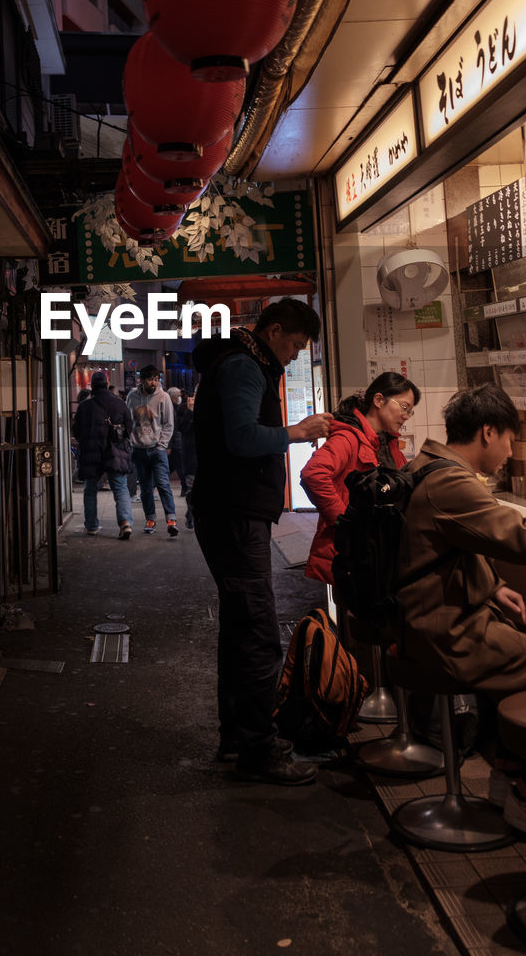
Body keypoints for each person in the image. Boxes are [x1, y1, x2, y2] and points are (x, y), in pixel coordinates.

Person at [191, 298, 333, 784]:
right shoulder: (244, 366)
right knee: (256, 631)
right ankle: (258, 748)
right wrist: (298, 431)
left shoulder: (240, 360)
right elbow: (242, 439)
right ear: (274, 331)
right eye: (294, 344)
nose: (295, 355)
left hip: (230, 511)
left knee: (239, 627)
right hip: (234, 514)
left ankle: (238, 736)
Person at [398, 384, 526, 840]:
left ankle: (505, 777)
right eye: (509, 440)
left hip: (423, 619)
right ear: (488, 432)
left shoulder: (426, 465)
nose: (510, 451)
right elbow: (524, 537)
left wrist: (495, 586)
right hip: (445, 632)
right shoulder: (452, 482)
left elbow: (453, 545)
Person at [301, 371, 420, 585]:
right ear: (378, 400)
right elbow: (313, 474)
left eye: (410, 412)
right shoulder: (348, 438)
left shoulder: (388, 444)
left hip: (377, 553)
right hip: (351, 556)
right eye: (404, 408)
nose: (406, 416)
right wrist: (343, 520)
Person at [71, 371, 135, 540]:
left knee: (90, 490)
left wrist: (88, 440)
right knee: (120, 488)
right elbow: (129, 427)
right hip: (115, 451)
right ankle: (125, 523)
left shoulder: (85, 406)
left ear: (92, 386)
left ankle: (91, 525)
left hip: (92, 453)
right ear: (107, 385)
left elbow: (76, 431)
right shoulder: (120, 404)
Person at [126, 365, 177, 536]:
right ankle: (151, 519)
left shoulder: (164, 397)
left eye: (156, 379)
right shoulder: (132, 397)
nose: (154, 382)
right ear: (142, 380)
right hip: (139, 449)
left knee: (163, 484)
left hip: (157, 450)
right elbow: (128, 420)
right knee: (146, 488)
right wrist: (130, 440)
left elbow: (169, 424)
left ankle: (171, 520)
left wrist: (162, 445)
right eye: (150, 379)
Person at [176, 389, 198, 527]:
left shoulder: (212, 407)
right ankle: (191, 513)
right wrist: (190, 411)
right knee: (191, 488)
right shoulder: (183, 408)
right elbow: (181, 428)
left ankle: (195, 513)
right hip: (190, 454)